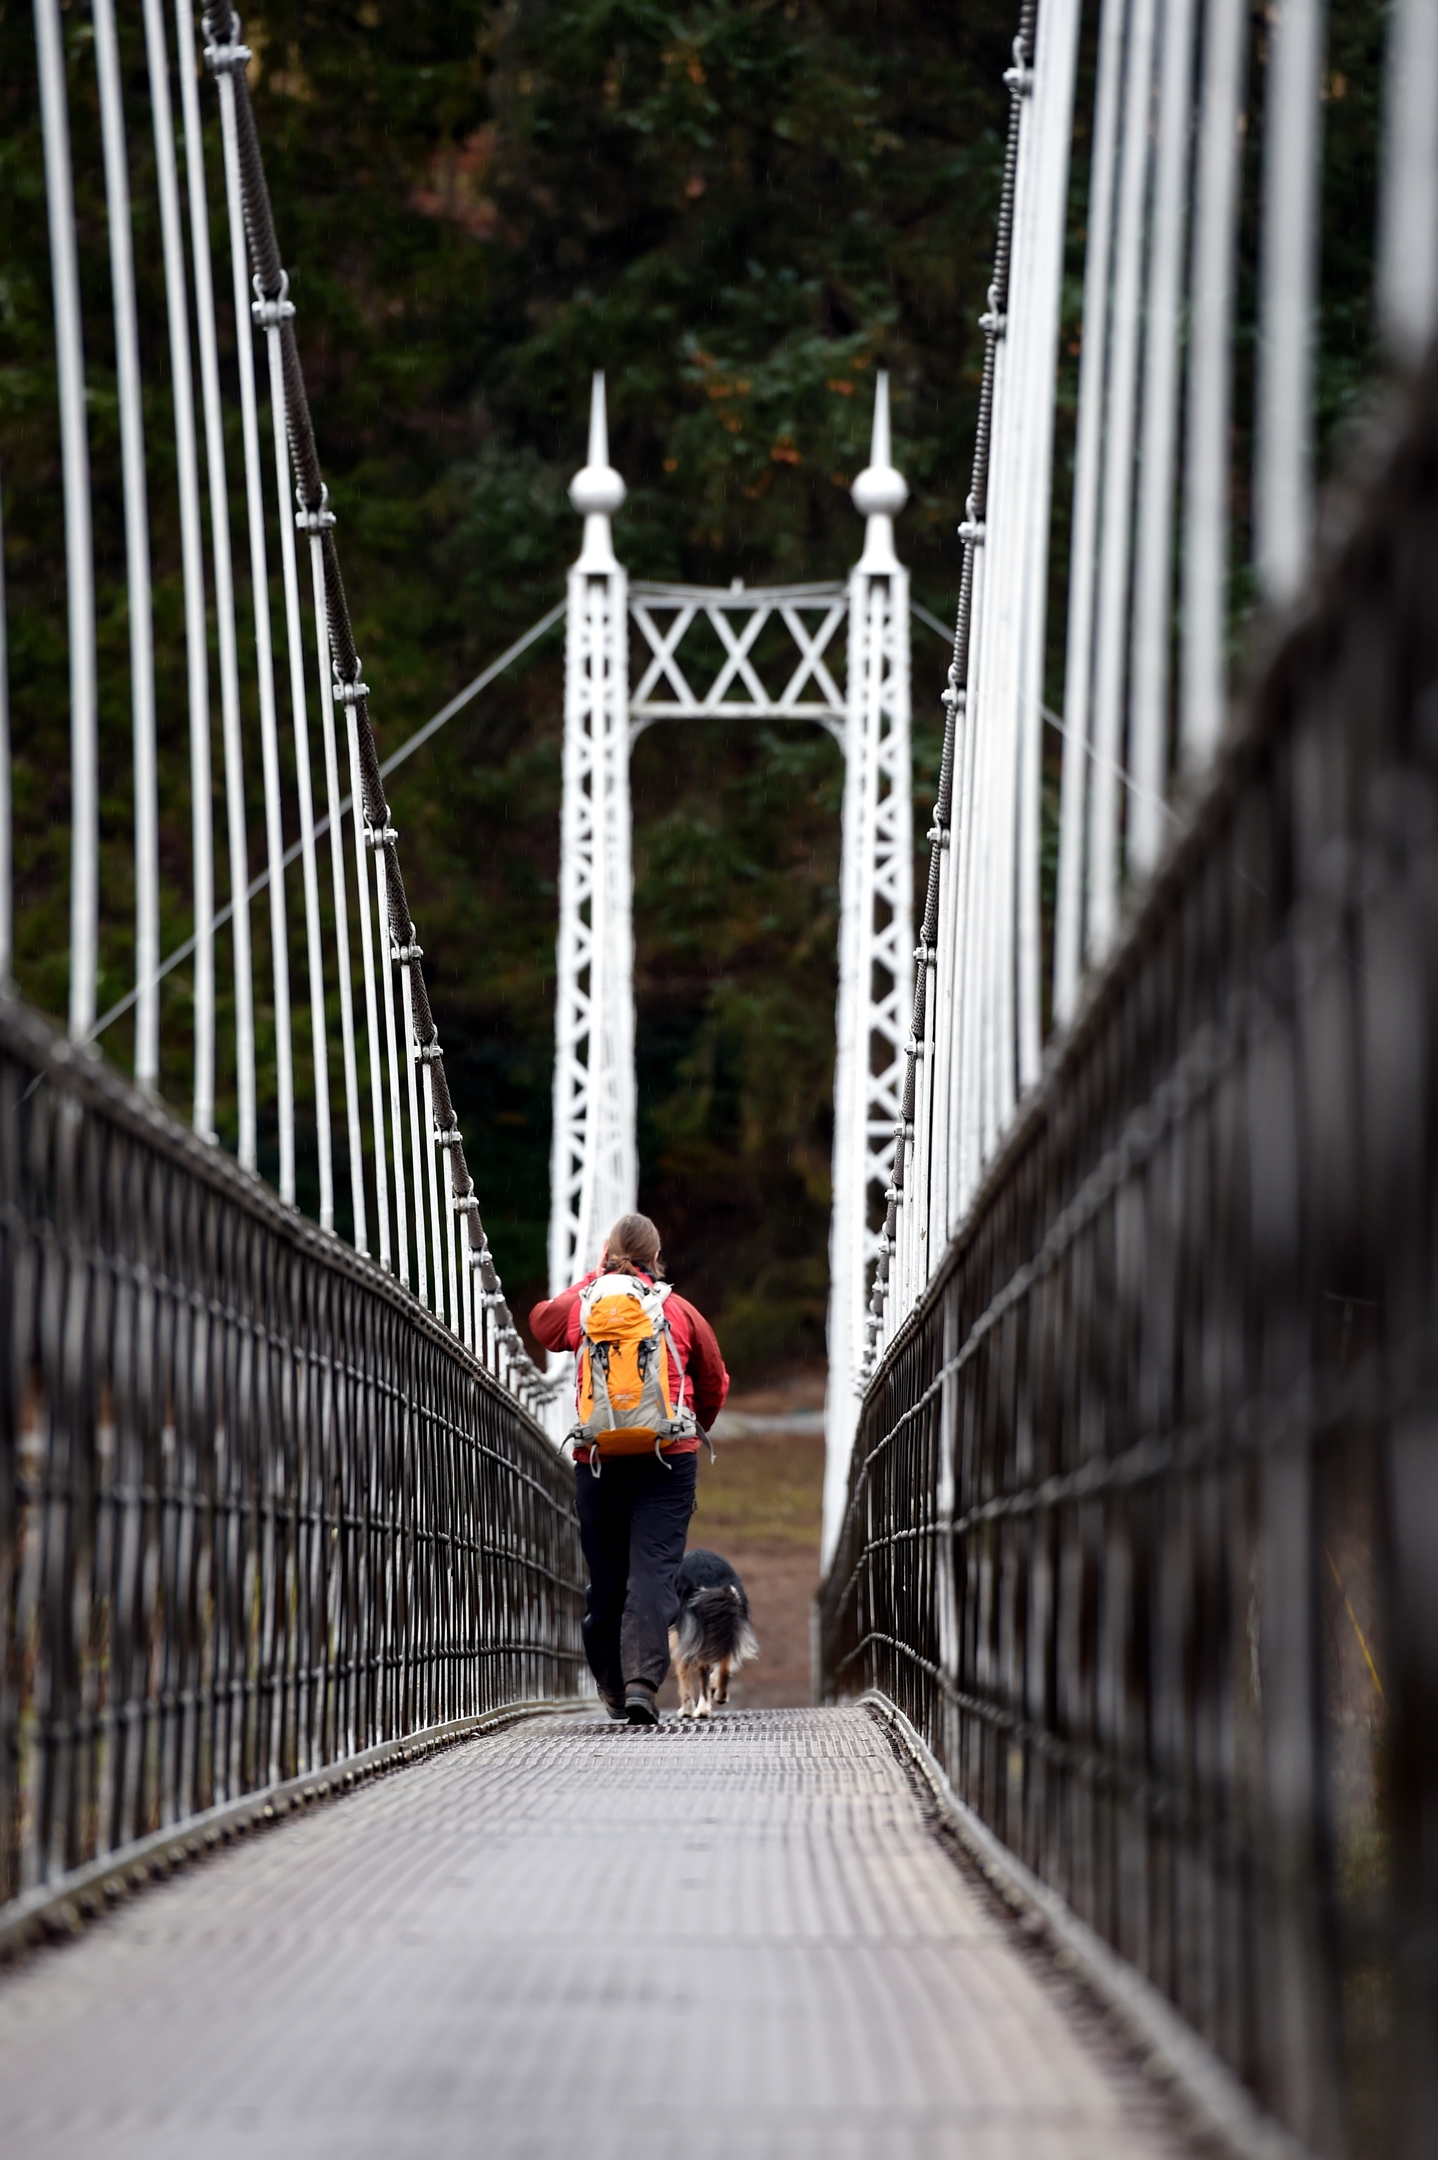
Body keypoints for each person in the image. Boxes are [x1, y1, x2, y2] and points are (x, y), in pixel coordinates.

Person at [530, 1213, 729, 1726]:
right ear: (655, 1257)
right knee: (654, 1573)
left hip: (598, 1463)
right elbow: (715, 1382)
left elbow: (541, 1324)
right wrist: (683, 1427)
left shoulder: (587, 1306)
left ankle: (613, 1687)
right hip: (668, 1461)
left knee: (607, 1577)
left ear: (608, 1253)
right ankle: (643, 1682)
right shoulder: (679, 1310)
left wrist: (593, 1282)